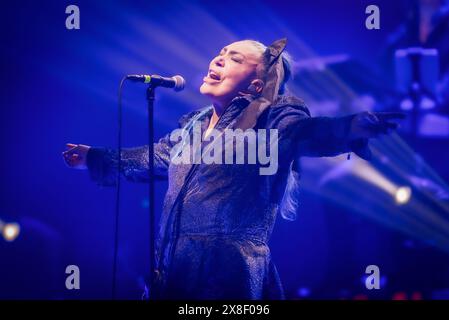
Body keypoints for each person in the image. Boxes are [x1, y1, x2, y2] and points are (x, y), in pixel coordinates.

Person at [62, 38, 404, 299]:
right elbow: (152, 157)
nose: (219, 58)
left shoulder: (271, 117)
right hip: (174, 270)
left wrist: (348, 129)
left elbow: (301, 134)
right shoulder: (193, 125)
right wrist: (97, 157)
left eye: (234, 58)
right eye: (220, 53)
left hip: (230, 274)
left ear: (256, 85)